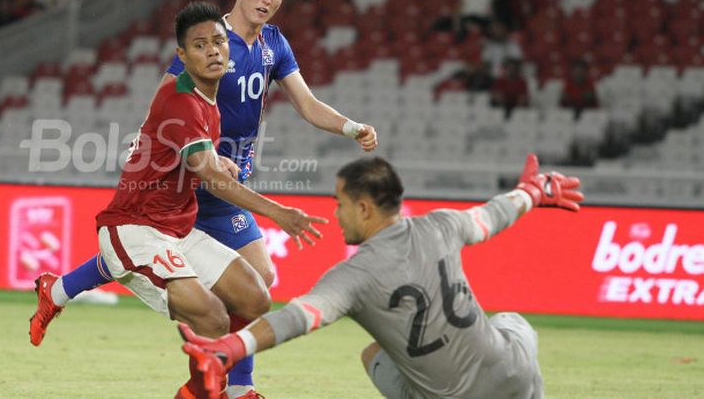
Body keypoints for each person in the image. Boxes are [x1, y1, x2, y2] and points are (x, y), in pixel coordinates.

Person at [30, 0, 378, 398]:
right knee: (179, 266)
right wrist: (195, 155)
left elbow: (307, 105)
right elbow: (166, 103)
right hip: (196, 179)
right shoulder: (209, 40)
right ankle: (231, 386)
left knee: (257, 284)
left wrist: (351, 127)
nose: (266, 1)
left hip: (227, 184)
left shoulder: (273, 44)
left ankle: (59, 290)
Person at [178, 154, 584, 398]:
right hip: (516, 377)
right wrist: (534, 190)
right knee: (512, 323)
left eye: (341, 203)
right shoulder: (442, 224)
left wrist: (228, 348)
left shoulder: (354, 276)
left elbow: (296, 318)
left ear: (365, 208)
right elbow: (495, 214)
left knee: (377, 359)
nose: (336, 213)